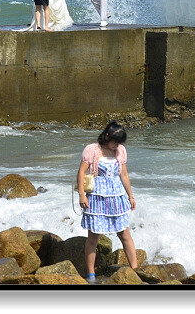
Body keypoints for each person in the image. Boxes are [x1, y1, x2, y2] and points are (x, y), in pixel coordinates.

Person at [78, 120, 138, 282]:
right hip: (96, 198)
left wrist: (130, 196)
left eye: (119, 143)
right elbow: (82, 172)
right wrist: (82, 195)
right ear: (106, 136)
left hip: (116, 197)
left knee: (124, 233)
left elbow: (124, 175)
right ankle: (91, 275)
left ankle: (136, 271)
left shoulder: (120, 151)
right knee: (93, 237)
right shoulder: (92, 150)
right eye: (115, 142)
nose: (117, 145)